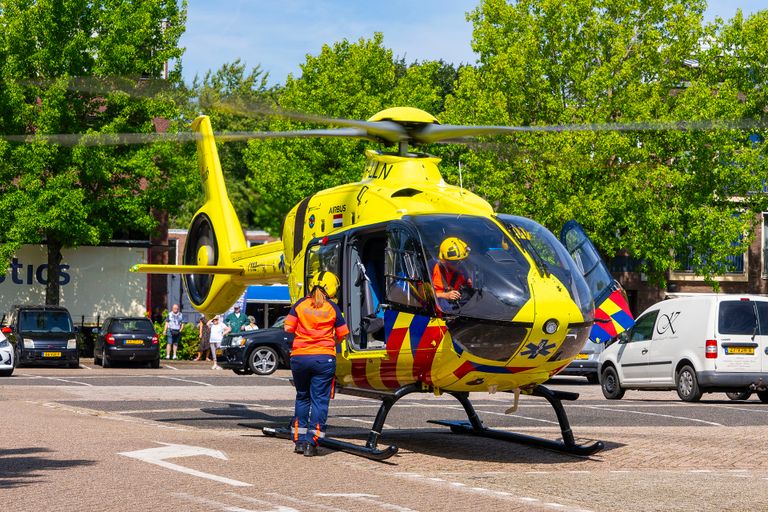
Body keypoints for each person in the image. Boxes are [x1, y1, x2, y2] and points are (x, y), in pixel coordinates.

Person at [284, 271, 349, 457]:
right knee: (319, 400)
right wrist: (330, 344)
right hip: (324, 358)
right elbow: (343, 333)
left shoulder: (300, 304)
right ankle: (312, 443)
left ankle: (299, 439)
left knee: (302, 397)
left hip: (300, 357)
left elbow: (288, 327)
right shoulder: (332, 308)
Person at [432, 237, 472, 309]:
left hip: (455, 305)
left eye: (462, 260)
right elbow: (422, 294)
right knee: (443, 302)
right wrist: (445, 295)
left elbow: (470, 285)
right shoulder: (432, 267)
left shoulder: (462, 268)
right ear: (444, 261)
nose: (459, 264)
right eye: (455, 262)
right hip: (436, 308)